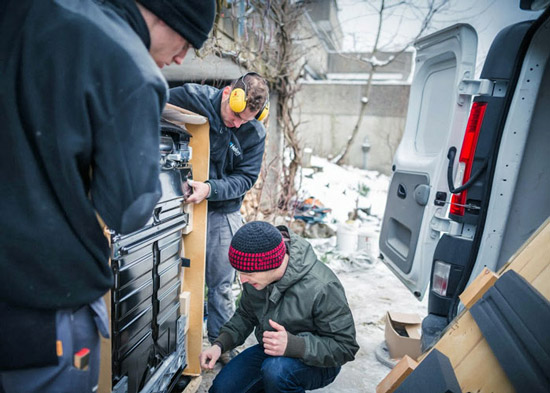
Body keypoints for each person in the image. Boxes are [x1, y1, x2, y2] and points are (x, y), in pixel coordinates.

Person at [0, 1, 215, 392]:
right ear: (162, 14)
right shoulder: (129, 64)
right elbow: (128, 210)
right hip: (44, 310)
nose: (183, 55)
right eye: (186, 40)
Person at [168, 73, 270, 361]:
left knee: (221, 285)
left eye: (246, 120)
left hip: (221, 212)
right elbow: (149, 105)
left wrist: (210, 189)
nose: (238, 124)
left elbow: (245, 179)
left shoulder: (254, 133)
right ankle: (174, 344)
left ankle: (220, 344)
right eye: (235, 115)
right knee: (175, 279)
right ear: (227, 93)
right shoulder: (192, 98)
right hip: (179, 206)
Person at [199, 221, 360, 392]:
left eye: (248, 274)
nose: (243, 279)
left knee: (276, 372)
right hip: (272, 350)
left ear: (271, 264)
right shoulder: (256, 278)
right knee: (221, 389)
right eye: (240, 272)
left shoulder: (322, 286)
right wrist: (220, 344)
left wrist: (296, 345)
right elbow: (246, 315)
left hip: (317, 361)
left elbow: (345, 347)